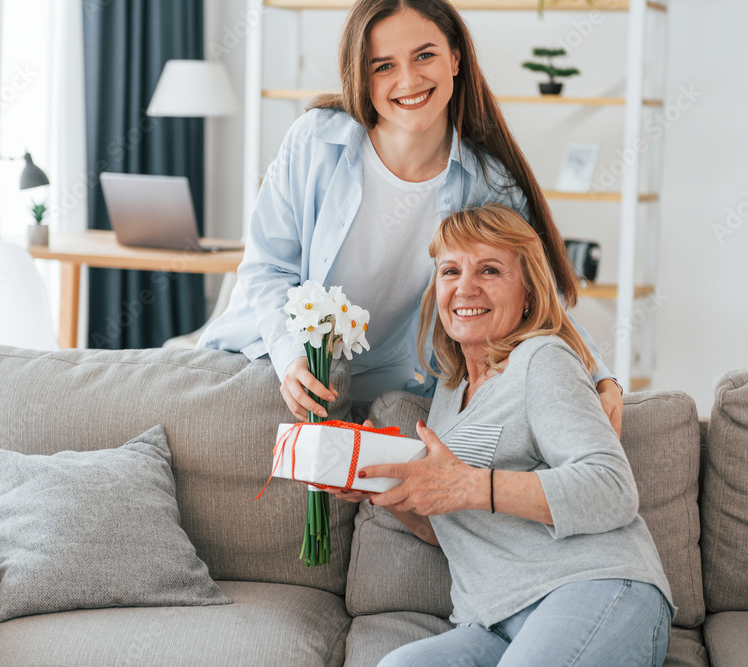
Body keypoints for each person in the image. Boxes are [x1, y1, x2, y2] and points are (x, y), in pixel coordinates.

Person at [198, 0, 623, 430]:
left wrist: (600, 374)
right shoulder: (315, 141)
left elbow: (535, 298)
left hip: (391, 391)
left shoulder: (489, 184)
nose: (408, 79)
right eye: (383, 66)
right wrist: (291, 357)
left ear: (455, 57)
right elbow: (266, 268)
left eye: (424, 55)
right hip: (273, 359)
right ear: (362, 76)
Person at [331, 204, 674, 666]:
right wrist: (384, 486)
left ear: (529, 292)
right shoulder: (450, 390)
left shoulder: (541, 360)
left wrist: (469, 484)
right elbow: (459, 528)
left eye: (489, 270)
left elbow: (612, 489)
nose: (464, 287)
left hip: (593, 586)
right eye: (450, 270)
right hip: (492, 620)